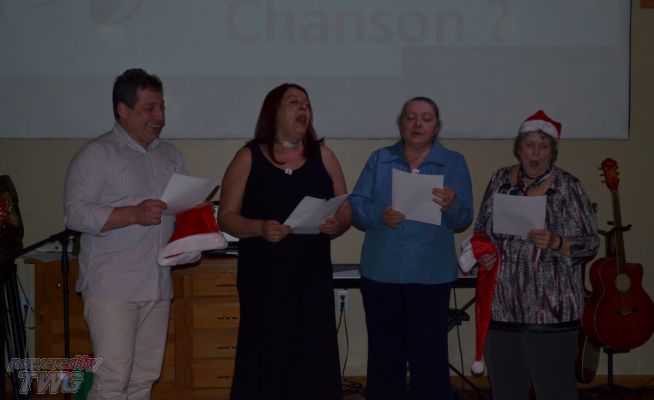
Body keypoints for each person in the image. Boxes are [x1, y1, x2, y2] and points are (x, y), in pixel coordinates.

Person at [219, 83, 351, 400]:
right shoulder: (248, 157)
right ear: (274, 113)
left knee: (312, 358)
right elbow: (226, 217)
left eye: (306, 103)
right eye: (294, 102)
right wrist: (259, 227)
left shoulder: (324, 155)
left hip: (311, 277)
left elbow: (346, 207)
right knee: (265, 358)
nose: (303, 108)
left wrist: (338, 223)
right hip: (264, 279)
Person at [64, 68, 187, 400]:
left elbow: (179, 212)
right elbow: (75, 213)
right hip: (112, 286)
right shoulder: (97, 154)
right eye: (149, 108)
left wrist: (193, 228)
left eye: (161, 107)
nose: (159, 116)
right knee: (112, 379)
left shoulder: (171, 155)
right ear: (123, 109)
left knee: (144, 378)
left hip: (157, 283)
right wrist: (133, 214)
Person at [349, 96, 473, 399]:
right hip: (382, 273)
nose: (418, 124)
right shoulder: (380, 159)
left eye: (426, 118)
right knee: (384, 357)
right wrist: (380, 215)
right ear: (401, 123)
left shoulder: (453, 162)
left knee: (429, 358)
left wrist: (452, 204)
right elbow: (356, 205)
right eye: (410, 117)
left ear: (436, 127)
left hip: (430, 275)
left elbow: (463, 218)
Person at [474, 110, 599, 400]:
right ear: (519, 149)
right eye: (529, 145)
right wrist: (485, 254)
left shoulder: (568, 186)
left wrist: (557, 241)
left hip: (551, 313)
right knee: (506, 391)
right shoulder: (499, 179)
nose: (535, 153)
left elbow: (590, 243)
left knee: (555, 391)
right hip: (502, 309)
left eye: (543, 146)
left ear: (552, 152)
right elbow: (482, 231)